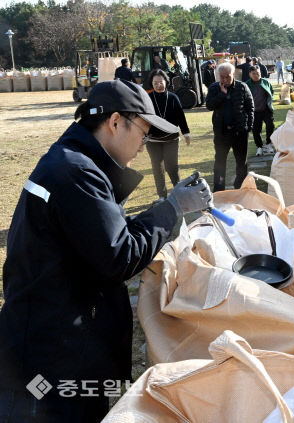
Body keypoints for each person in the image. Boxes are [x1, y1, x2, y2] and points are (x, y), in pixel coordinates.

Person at [0, 79, 213, 423]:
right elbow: (119, 255)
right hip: (51, 355)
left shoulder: (74, 161)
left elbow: (101, 232)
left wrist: (161, 208)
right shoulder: (76, 173)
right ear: (115, 123)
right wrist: (172, 208)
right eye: (143, 132)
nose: (144, 145)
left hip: (59, 336)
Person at [205, 62, 254, 192]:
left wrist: (248, 127)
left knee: (241, 163)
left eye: (228, 76)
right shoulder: (214, 88)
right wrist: (221, 94)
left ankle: (240, 188)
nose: (225, 79)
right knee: (220, 163)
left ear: (233, 74)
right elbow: (209, 105)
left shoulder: (242, 87)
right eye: (222, 77)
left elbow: (250, 108)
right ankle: (219, 190)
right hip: (222, 133)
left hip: (240, 132)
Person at [146, 69, 191, 203]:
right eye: (155, 82)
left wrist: (186, 133)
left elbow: (181, 117)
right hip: (152, 140)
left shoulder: (172, 97)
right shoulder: (147, 98)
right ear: (152, 83)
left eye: (161, 82)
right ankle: (162, 196)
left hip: (171, 139)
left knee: (172, 166)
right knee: (157, 168)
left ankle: (179, 193)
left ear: (166, 82)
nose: (158, 85)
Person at [245, 66, 275, 156]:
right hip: (254, 111)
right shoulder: (247, 84)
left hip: (266, 109)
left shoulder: (265, 82)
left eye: (258, 73)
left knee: (270, 125)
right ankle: (259, 147)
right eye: (254, 73)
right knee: (256, 130)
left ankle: (269, 144)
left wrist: (269, 104)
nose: (256, 75)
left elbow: (271, 92)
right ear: (250, 74)